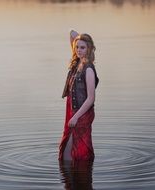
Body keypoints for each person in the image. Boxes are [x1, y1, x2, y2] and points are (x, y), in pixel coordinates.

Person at [59, 30, 99, 162]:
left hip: (82, 113)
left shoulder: (88, 69)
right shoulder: (77, 63)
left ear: (89, 49)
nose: (78, 50)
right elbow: (71, 33)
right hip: (73, 110)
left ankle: (79, 177)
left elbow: (91, 98)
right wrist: (81, 39)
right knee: (68, 149)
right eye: (77, 47)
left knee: (74, 150)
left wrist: (76, 117)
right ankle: (72, 178)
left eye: (82, 47)